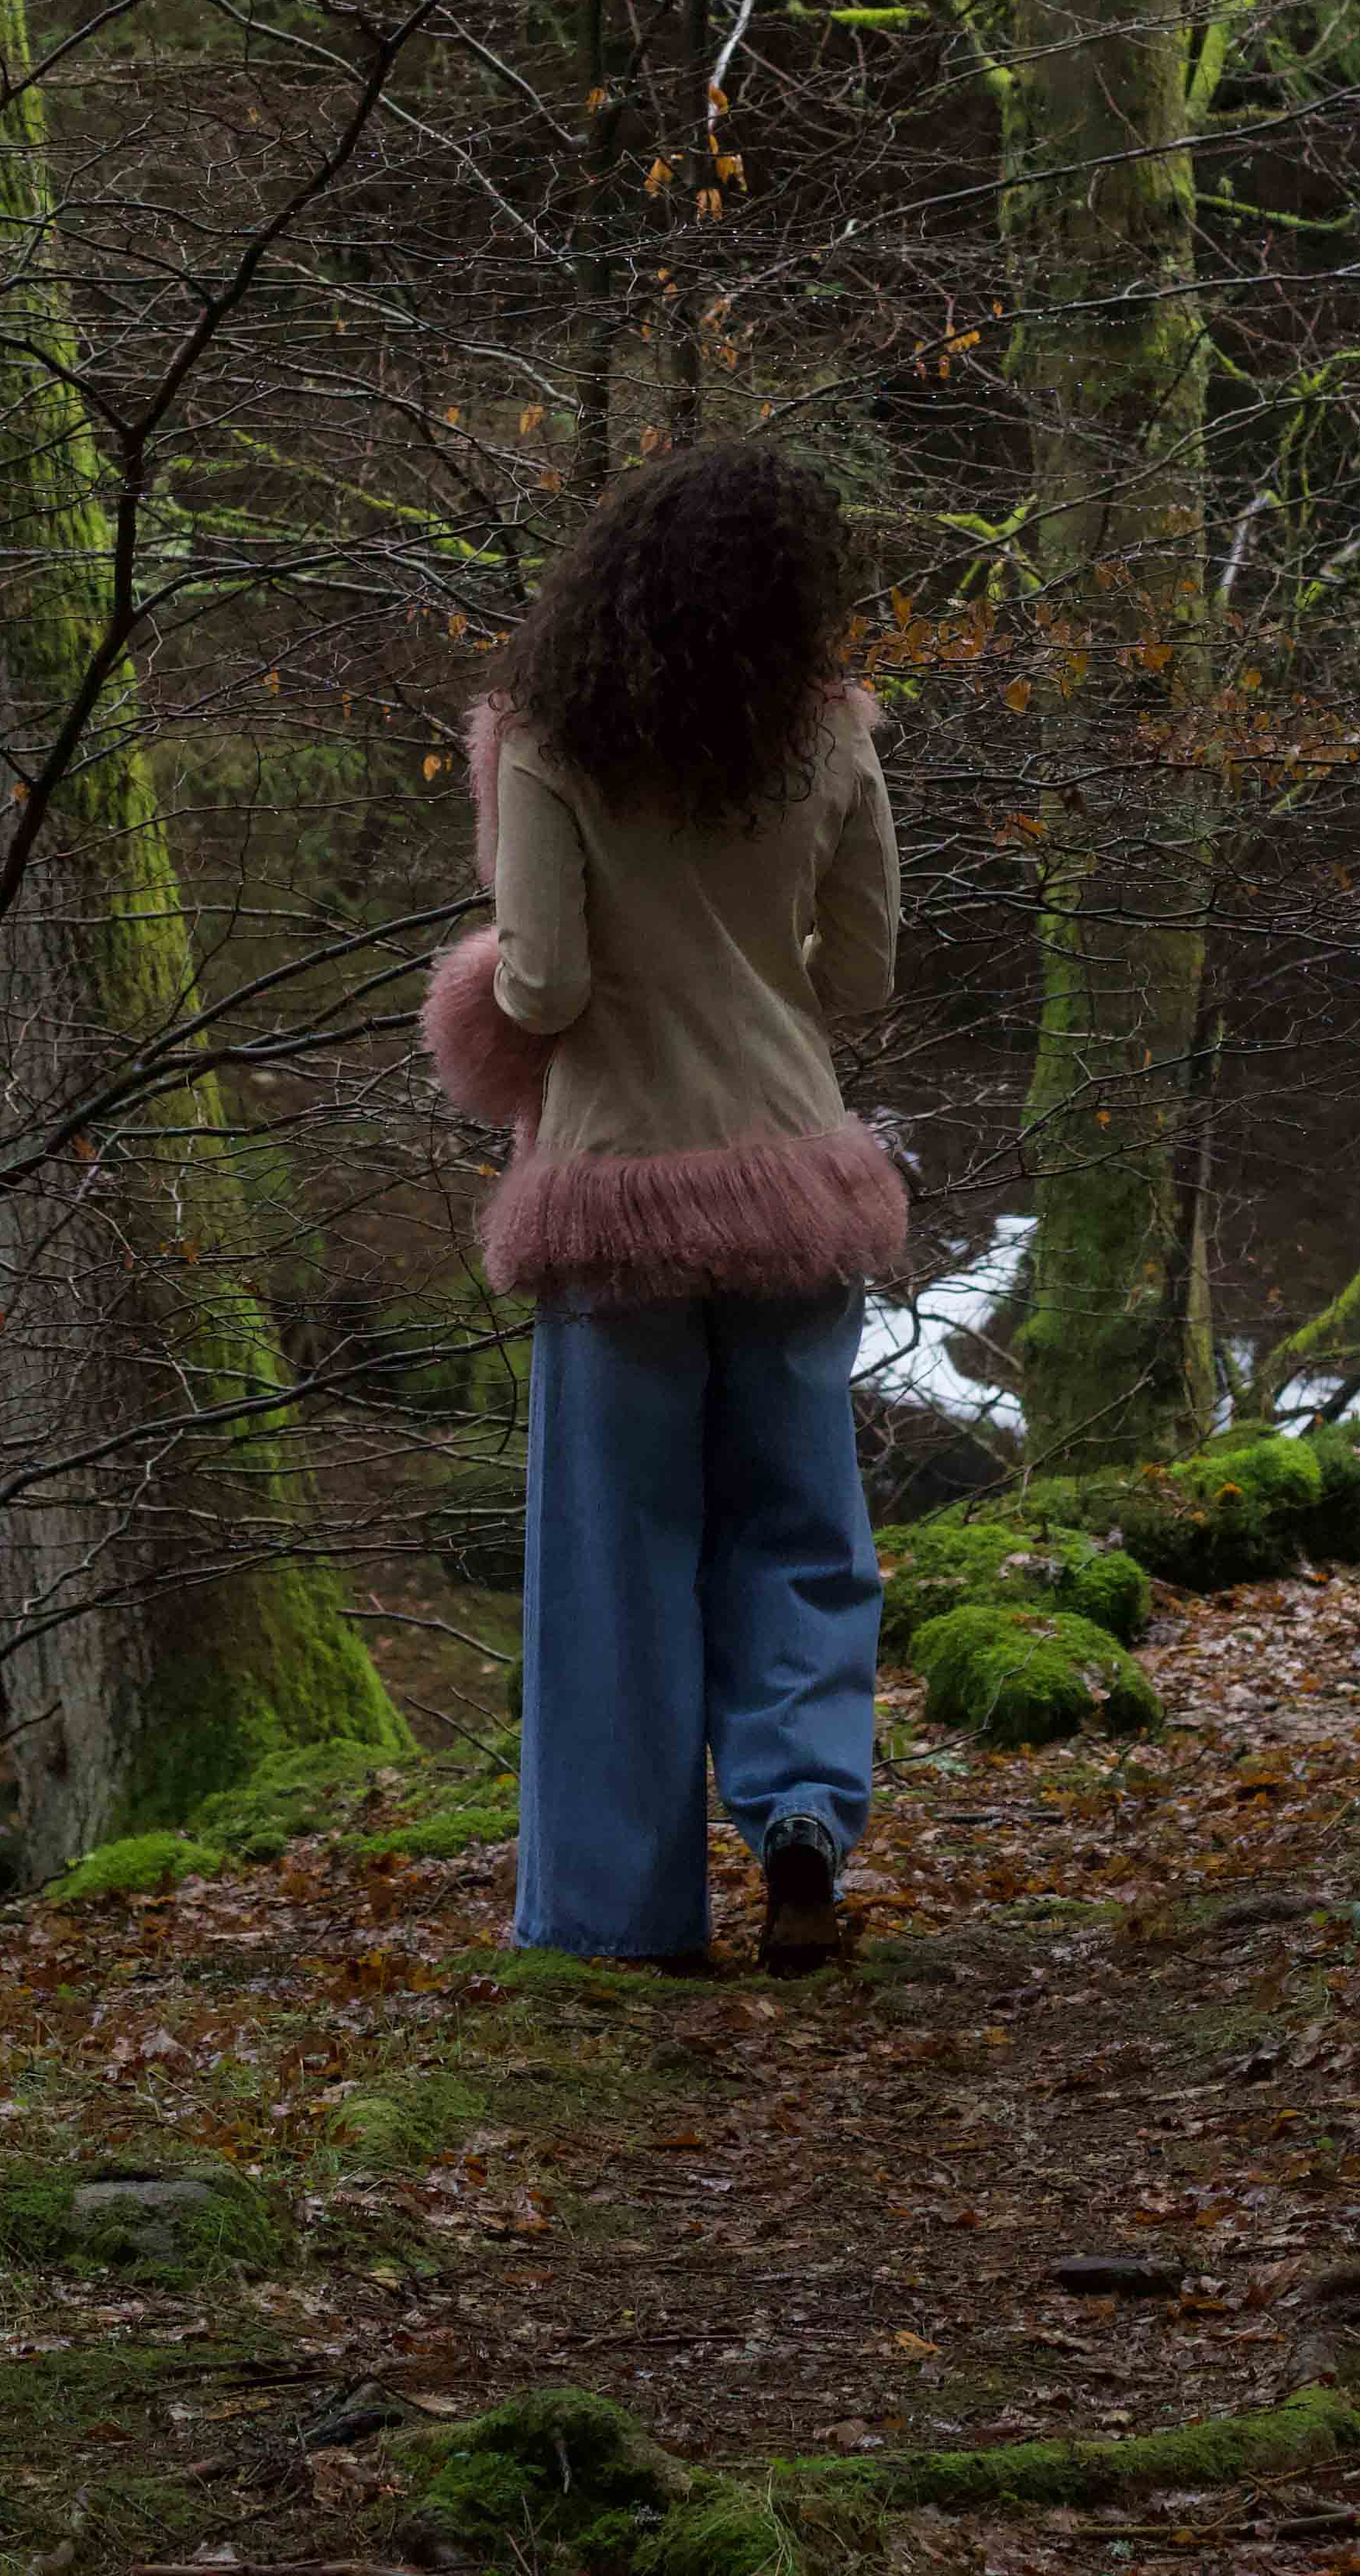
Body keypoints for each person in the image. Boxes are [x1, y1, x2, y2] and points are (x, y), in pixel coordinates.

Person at [423, 440, 905, 1973]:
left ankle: (616, 1915)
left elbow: (545, 985)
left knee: (618, 1559)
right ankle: (806, 1818)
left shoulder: (552, 745)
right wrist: (765, 998)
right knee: (803, 1526)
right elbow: (868, 977)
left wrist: (469, 994)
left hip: (619, 1193)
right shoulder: (826, 735)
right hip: (790, 1181)